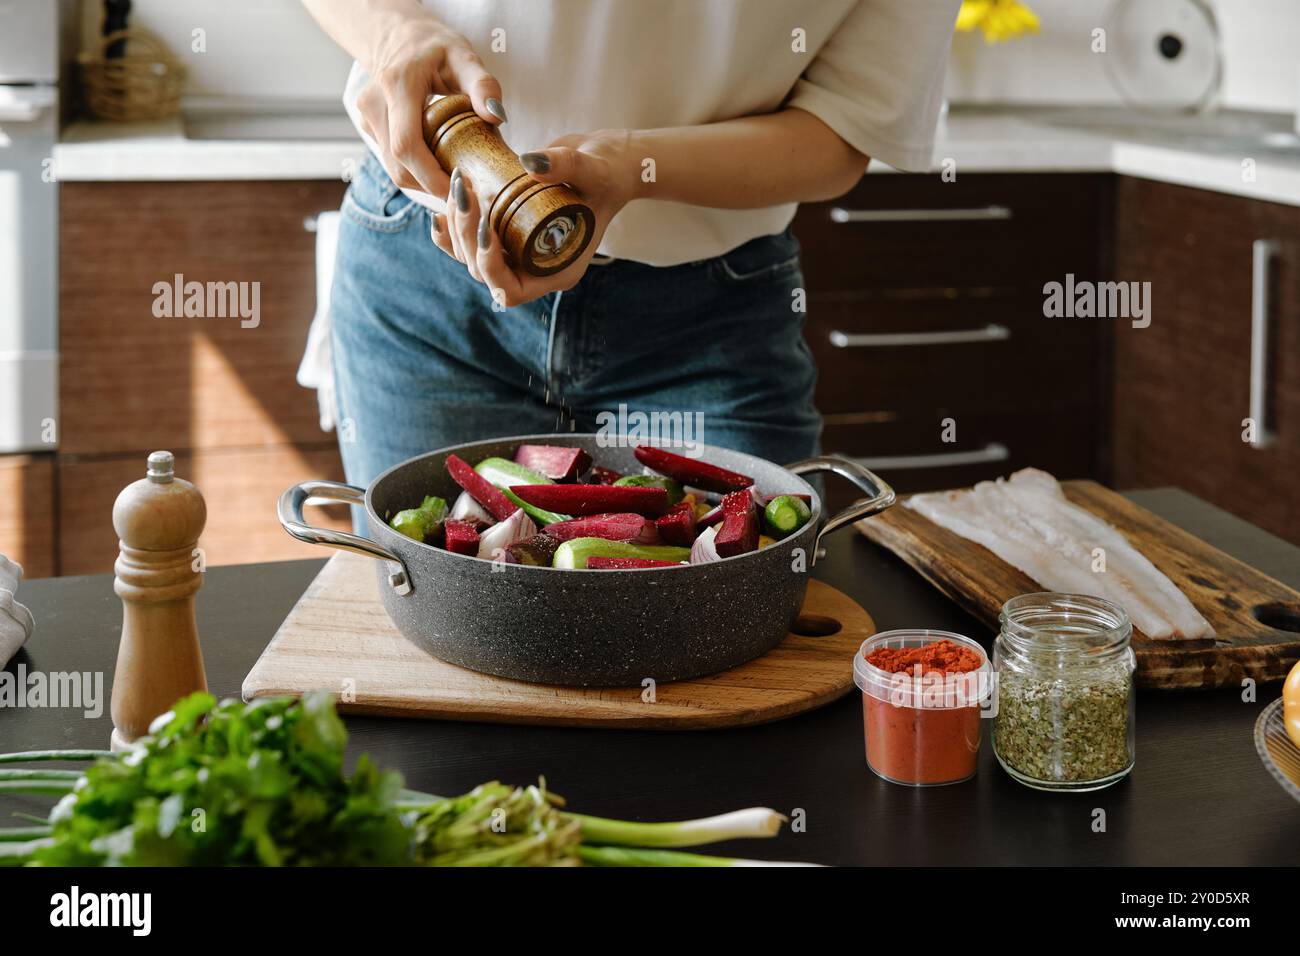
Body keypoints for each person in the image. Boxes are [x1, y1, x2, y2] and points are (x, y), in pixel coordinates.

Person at [302, 0, 960, 493]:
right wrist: (396, 31)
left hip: (711, 321)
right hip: (425, 285)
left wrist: (629, 165)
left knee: (734, 618)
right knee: (435, 614)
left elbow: (843, 131)